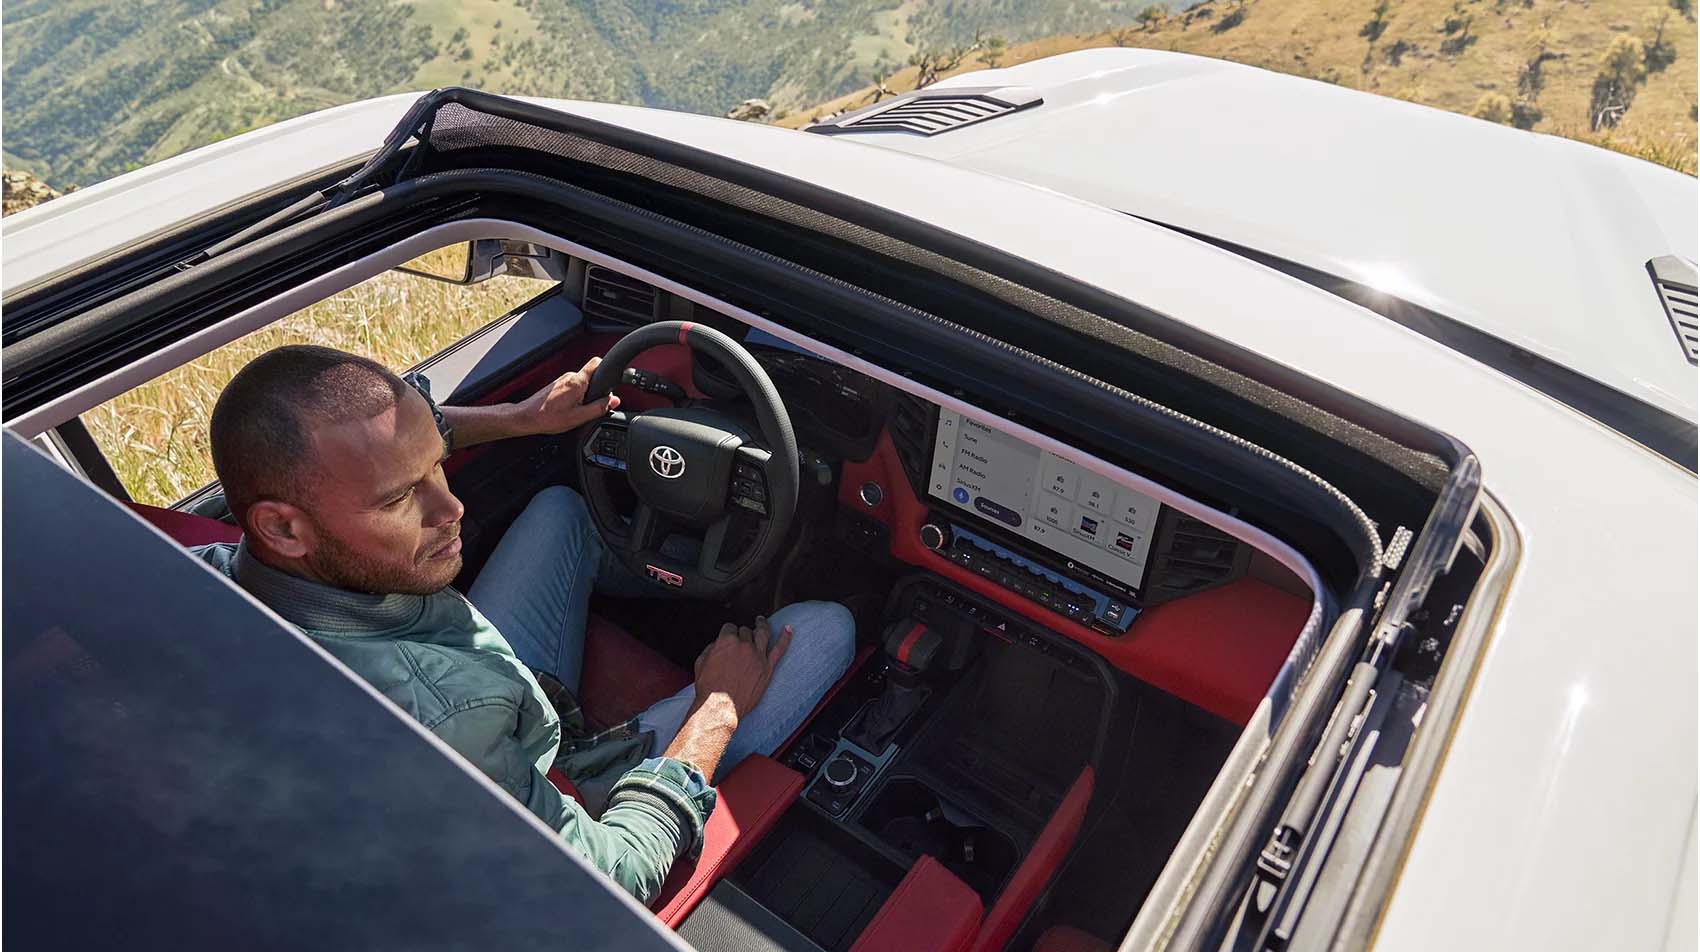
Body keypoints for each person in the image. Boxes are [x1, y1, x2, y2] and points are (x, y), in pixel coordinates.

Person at [190, 344, 854, 904]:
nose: (449, 507)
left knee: (561, 510)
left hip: (490, 694)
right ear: (284, 528)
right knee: (827, 628)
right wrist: (717, 706)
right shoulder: (440, 719)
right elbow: (613, 879)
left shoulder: (199, 571)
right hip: (567, 788)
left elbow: (394, 445)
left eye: (435, 465)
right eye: (400, 499)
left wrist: (521, 417)